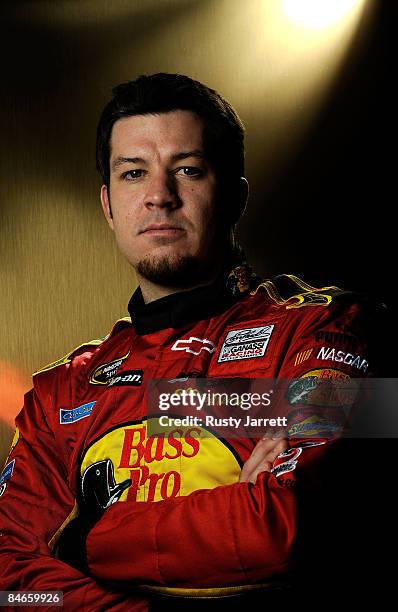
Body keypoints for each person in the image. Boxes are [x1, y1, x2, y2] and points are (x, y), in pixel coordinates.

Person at [0, 73, 383, 610]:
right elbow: (6, 577)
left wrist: (83, 538)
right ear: (109, 206)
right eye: (134, 173)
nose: (160, 196)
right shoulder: (60, 391)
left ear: (234, 195)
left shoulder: (333, 327)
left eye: (188, 169)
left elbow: (290, 525)